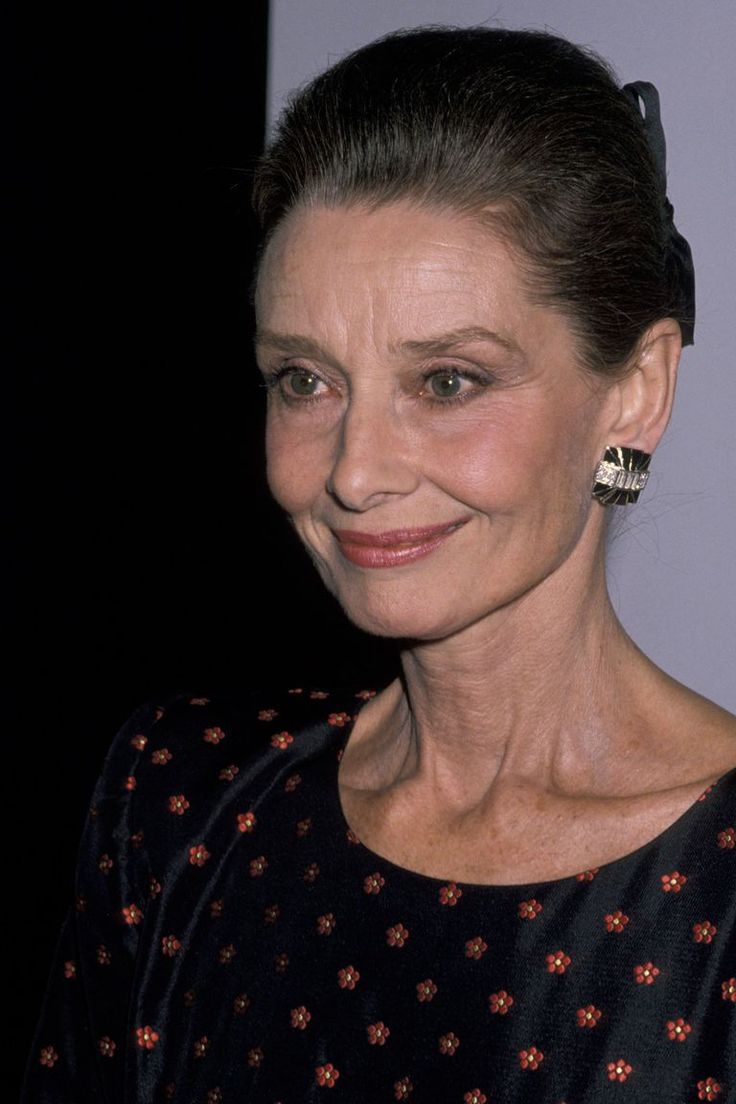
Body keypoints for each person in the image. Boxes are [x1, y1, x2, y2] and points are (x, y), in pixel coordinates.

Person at [21, 24, 735, 1104]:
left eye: (446, 380)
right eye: (304, 379)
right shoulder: (181, 801)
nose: (353, 472)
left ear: (632, 392)